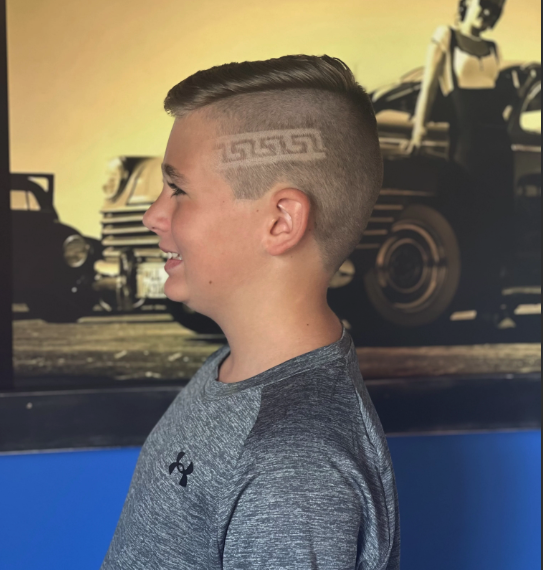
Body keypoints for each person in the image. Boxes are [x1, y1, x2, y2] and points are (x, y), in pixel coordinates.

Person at [99, 55, 400, 569]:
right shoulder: (234, 369)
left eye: (178, 190)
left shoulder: (295, 471)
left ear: (281, 222)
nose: (153, 215)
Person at [408, 0, 515, 324]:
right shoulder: (446, 37)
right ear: (466, 4)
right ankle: (456, 303)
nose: (487, 12)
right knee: (466, 218)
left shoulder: (494, 48)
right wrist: (419, 128)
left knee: (496, 221)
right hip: (467, 143)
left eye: (494, 9)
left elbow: (496, 99)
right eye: (484, 4)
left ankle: (490, 306)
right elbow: (429, 86)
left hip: (498, 144)